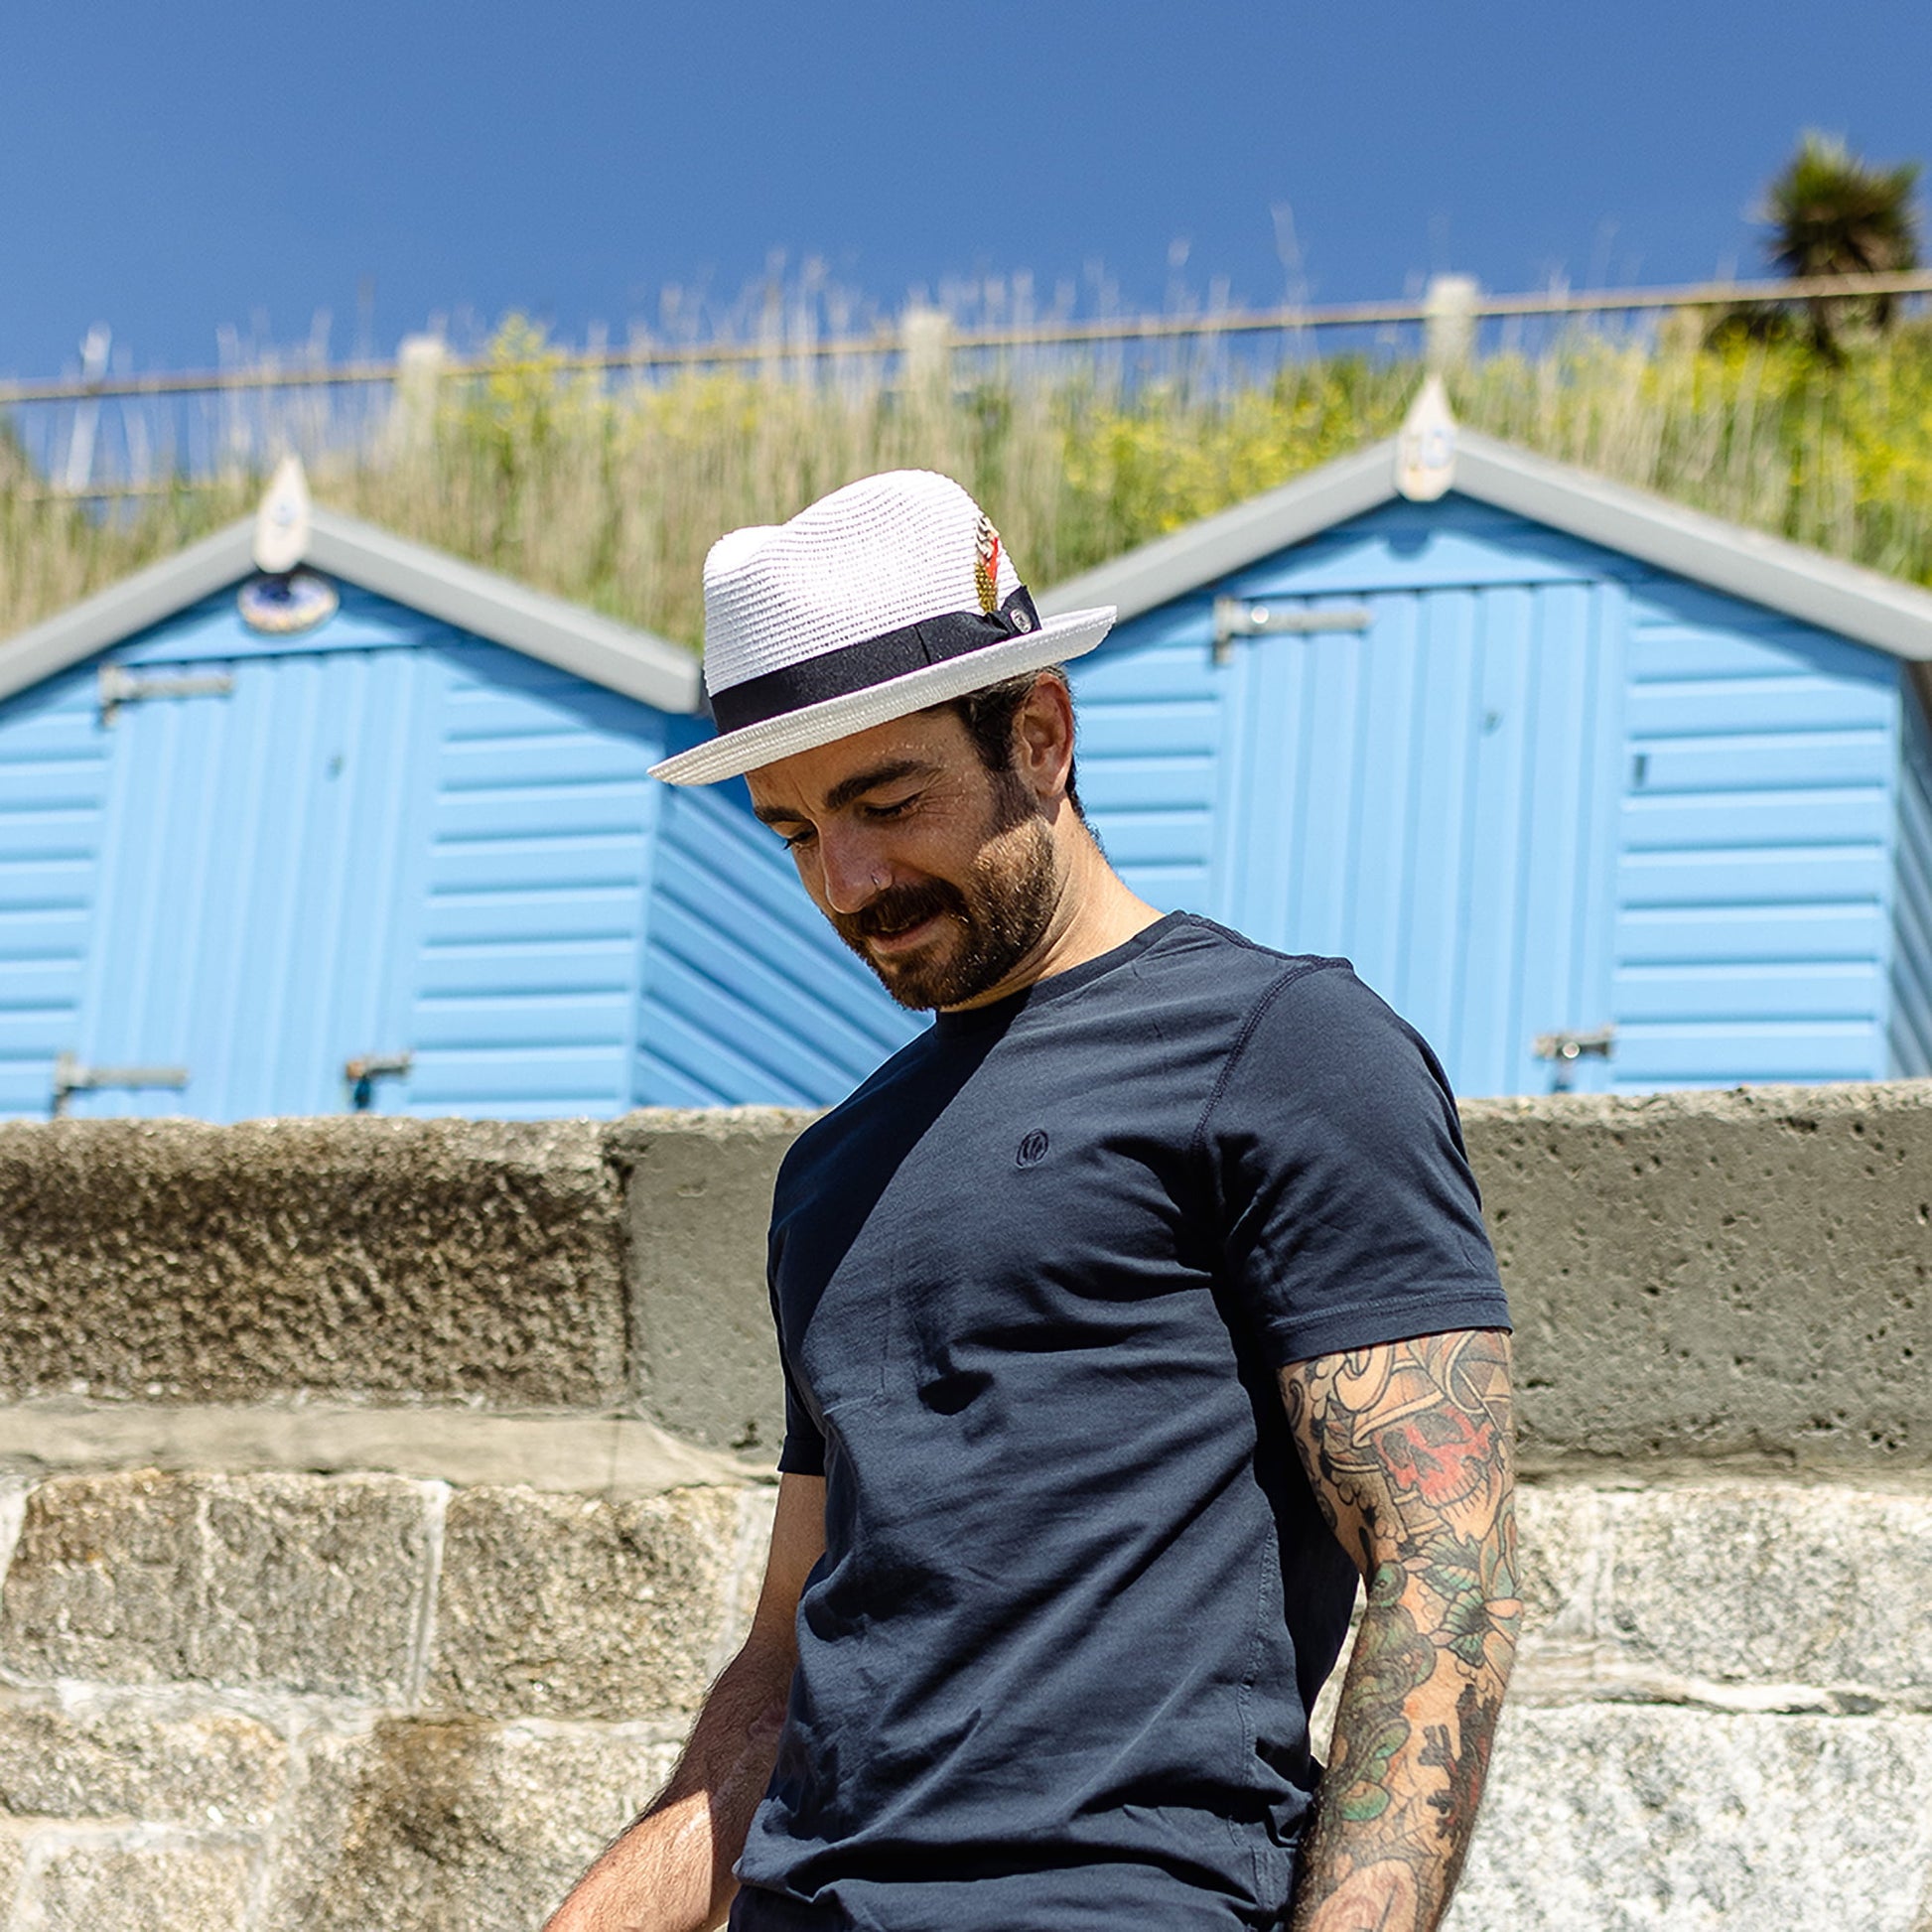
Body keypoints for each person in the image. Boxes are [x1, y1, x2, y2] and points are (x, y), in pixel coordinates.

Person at [547, 470, 1519, 1932]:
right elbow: (785, 1661)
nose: (848, 881)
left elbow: (1444, 1569)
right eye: (794, 831)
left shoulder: (1283, 1046)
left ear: (1042, 734)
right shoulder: (830, 1170)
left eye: (887, 802)